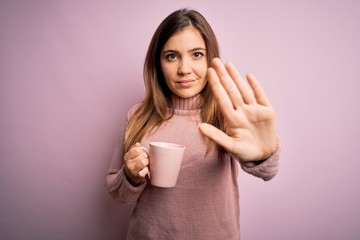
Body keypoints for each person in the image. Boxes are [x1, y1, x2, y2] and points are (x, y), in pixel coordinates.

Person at [105, 8, 280, 240]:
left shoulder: (227, 114)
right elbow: (117, 193)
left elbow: (269, 171)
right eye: (171, 56)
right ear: (158, 63)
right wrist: (130, 176)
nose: (184, 69)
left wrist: (263, 154)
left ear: (210, 58)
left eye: (196, 54)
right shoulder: (138, 116)